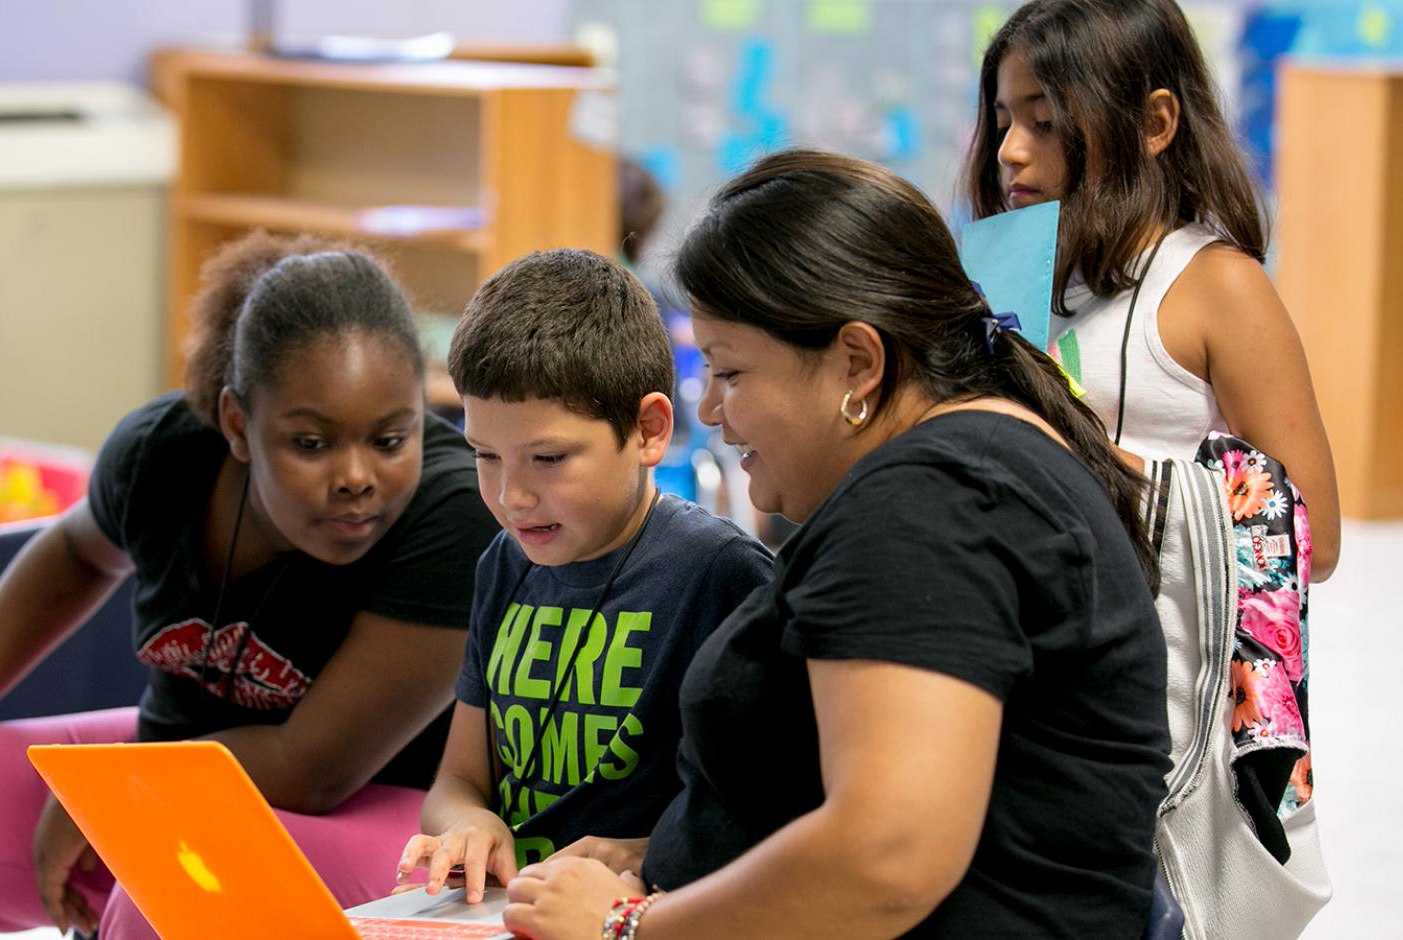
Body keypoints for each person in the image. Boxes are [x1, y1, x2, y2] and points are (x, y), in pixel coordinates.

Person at [498, 150, 1172, 939]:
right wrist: (676, 855)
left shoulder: (929, 504)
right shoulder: (965, 468)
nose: (711, 409)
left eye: (731, 372)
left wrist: (629, 928)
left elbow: (886, 860)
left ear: (857, 362)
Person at [0, 231, 499, 939]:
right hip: (176, 776)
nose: (357, 476)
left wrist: (122, 790)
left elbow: (313, 769)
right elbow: (79, 550)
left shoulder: (451, 518)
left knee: (173, 893)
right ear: (239, 423)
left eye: (391, 440)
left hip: (396, 820)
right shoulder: (164, 454)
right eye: (310, 443)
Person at [395, 248, 772, 904]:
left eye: (548, 457)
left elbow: (772, 818)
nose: (513, 496)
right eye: (485, 455)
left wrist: (651, 851)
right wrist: (471, 825)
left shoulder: (723, 576)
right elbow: (456, 782)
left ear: (649, 430)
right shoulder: (504, 564)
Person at [963, 0, 1340, 579]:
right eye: (1003, 120)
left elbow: (1312, 539)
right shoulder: (1011, 274)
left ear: (1153, 124)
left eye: (1045, 123)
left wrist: (1064, 454)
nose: (1010, 150)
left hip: (1163, 664)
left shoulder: (1218, 285)